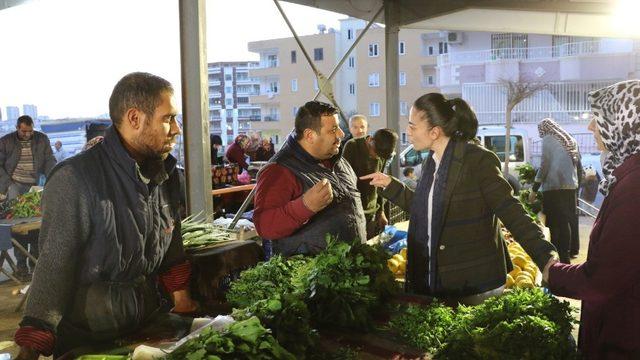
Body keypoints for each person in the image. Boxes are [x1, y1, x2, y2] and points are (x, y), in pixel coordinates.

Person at [14, 72, 197, 359]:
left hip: (148, 327)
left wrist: (183, 301)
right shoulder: (75, 179)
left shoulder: (167, 174)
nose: (176, 129)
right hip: (90, 339)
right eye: (168, 118)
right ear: (135, 119)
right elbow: (53, 268)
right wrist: (30, 349)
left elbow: (172, 241)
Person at [361, 93, 557, 304]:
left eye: (412, 126)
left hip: (471, 281)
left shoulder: (477, 160)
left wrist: (545, 257)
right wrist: (391, 186)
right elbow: (425, 207)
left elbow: (511, 210)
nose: (408, 132)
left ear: (434, 132)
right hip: (436, 278)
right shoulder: (432, 162)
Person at [544, 80, 640, 358]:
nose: (590, 128)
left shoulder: (634, 188)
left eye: (598, 119)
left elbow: (603, 278)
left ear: (625, 123)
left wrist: (553, 272)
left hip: (623, 336)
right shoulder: (626, 177)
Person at [253, 101, 366, 257]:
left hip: (352, 270)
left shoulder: (340, 162)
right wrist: (305, 206)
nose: (341, 134)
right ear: (309, 135)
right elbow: (264, 226)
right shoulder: (278, 170)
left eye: (338, 127)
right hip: (309, 277)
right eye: (333, 129)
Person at [529, 118, 580, 263]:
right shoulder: (569, 139)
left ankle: (556, 258)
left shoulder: (548, 138)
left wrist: (534, 188)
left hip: (554, 187)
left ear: (544, 129)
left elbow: (544, 164)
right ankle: (565, 258)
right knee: (565, 223)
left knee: (554, 224)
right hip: (570, 187)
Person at [343, 128, 398, 239]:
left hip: (371, 212)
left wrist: (381, 212)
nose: (376, 157)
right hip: (352, 212)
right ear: (370, 140)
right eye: (375, 152)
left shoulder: (382, 154)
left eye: (380, 156)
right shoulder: (352, 146)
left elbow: (379, 184)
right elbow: (344, 182)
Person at [0, 115, 56, 201]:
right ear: (17, 128)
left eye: (30, 131)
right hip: (15, 184)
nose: (27, 134)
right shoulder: (5, 141)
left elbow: (50, 159)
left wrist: (50, 178)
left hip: (37, 184)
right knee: (15, 210)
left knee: (39, 210)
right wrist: (8, 184)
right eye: (24, 131)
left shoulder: (42, 138)